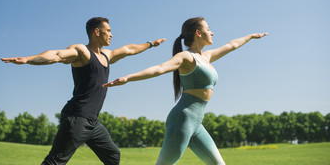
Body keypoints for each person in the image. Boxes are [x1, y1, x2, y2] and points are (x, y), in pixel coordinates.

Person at [0, 17, 165, 165]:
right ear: (96, 31)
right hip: (77, 118)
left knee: (113, 156)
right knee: (55, 161)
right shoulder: (82, 52)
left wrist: (151, 44)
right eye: (108, 31)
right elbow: (57, 55)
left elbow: (129, 49)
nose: (111, 34)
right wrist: (28, 59)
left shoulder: (107, 55)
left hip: (93, 123)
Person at [103, 17, 268, 165]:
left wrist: (250, 37)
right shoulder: (186, 57)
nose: (212, 32)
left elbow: (231, 45)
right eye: (208, 29)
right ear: (198, 33)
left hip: (196, 123)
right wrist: (128, 78)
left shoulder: (206, 57)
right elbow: (159, 69)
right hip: (182, 120)